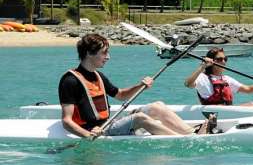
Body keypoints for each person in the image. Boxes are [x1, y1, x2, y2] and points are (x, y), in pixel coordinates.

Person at [58, 33, 214, 139]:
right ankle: (186, 141)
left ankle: (192, 132)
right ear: (89, 54)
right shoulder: (70, 81)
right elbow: (67, 121)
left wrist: (140, 86)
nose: (108, 57)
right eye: (104, 53)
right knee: (139, 118)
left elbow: (120, 95)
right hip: (98, 130)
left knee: (157, 106)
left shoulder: (97, 75)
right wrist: (87, 135)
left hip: (110, 121)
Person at [185, 47, 253, 106]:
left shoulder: (226, 79)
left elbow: (248, 90)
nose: (223, 62)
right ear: (212, 62)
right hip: (214, 113)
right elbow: (188, 84)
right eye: (219, 59)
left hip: (228, 111)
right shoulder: (202, 78)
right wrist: (202, 66)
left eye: (225, 59)